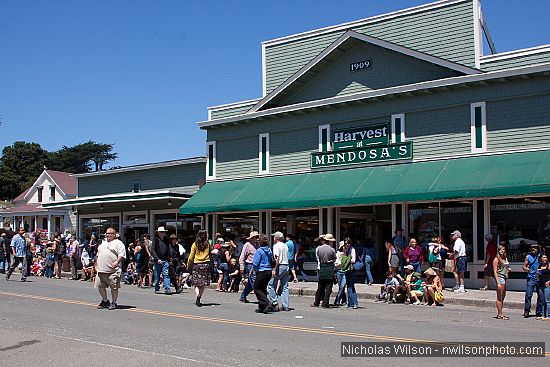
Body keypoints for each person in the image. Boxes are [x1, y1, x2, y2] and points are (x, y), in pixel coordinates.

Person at [95, 227, 126, 310]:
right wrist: (96, 264)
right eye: (107, 233)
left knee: (114, 287)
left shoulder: (118, 243)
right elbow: (98, 254)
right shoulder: (102, 243)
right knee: (100, 286)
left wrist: (117, 261)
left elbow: (122, 254)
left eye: (110, 233)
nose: (108, 235)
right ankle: (105, 301)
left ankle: (114, 302)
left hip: (112, 270)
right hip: (101, 269)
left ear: (114, 235)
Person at [187, 230, 212, 307]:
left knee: (196, 283)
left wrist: (188, 265)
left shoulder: (195, 244)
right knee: (202, 284)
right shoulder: (207, 244)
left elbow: (191, 256)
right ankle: (199, 297)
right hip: (205, 264)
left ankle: (197, 294)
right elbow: (210, 252)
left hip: (197, 264)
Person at [311, 234, 336, 309]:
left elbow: (318, 257)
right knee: (328, 287)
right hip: (329, 267)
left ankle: (317, 302)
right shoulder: (332, 250)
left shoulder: (319, 249)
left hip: (322, 267)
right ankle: (325, 303)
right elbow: (334, 258)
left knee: (320, 287)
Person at [268, 231, 290, 311]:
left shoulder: (276, 246)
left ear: (276, 238)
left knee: (271, 285)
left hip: (280, 266)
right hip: (286, 265)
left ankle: (274, 303)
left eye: (274, 237)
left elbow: (276, 258)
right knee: (285, 286)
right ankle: (285, 305)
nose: (273, 238)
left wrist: (274, 269)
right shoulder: (285, 246)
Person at [252, 234, 274, 314]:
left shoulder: (259, 251)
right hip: (268, 271)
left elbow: (255, 263)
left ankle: (266, 302)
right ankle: (262, 307)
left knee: (256, 288)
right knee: (262, 288)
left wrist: (255, 270)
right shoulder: (269, 250)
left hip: (262, 270)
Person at [523, 243, 543, 318]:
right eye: (532, 248)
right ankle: (527, 310)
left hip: (539, 278)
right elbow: (524, 266)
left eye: (535, 248)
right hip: (531, 278)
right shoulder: (528, 256)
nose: (533, 249)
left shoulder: (540, 256)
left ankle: (539, 311)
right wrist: (526, 269)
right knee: (528, 294)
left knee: (540, 296)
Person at [239, 231, 259, 303]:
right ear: (252, 238)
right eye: (256, 237)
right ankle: (262, 298)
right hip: (250, 265)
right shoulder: (247, 245)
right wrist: (241, 267)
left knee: (250, 284)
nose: (257, 238)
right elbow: (242, 256)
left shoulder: (258, 245)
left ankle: (243, 296)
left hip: (257, 265)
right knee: (254, 282)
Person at [151, 226, 171, 294]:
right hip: (158, 261)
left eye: (164, 232)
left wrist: (169, 258)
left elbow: (168, 249)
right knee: (157, 276)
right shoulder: (155, 240)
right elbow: (153, 250)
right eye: (161, 232)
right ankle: (157, 288)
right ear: (158, 233)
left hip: (165, 260)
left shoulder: (166, 240)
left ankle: (167, 288)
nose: (163, 233)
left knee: (166, 274)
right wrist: (157, 259)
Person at [493, 244, 511, 320]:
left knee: (503, 295)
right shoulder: (496, 259)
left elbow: (505, 267)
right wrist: (498, 283)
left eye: (503, 249)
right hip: (500, 278)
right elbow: (495, 271)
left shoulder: (505, 259)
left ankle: (500, 312)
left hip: (504, 277)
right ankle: (499, 314)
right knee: (499, 296)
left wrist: (508, 269)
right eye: (501, 250)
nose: (502, 251)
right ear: (498, 251)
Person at [342, 237, 358, 309]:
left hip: (351, 269)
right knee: (351, 286)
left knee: (349, 286)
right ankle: (354, 302)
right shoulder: (346, 250)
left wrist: (347, 259)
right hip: (347, 269)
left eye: (348, 243)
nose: (347, 244)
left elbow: (353, 260)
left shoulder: (352, 250)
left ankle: (351, 303)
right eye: (346, 243)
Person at [333, 241, 347, 306]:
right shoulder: (338, 254)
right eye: (344, 246)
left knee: (342, 287)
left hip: (344, 272)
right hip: (339, 272)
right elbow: (336, 263)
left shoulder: (346, 254)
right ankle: (343, 301)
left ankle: (337, 301)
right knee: (341, 287)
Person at [537, 254, 550, 321]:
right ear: (541, 259)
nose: (545, 258)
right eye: (544, 257)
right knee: (542, 301)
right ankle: (543, 315)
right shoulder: (539, 266)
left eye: (546, 257)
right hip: (541, 284)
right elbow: (538, 277)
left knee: (547, 300)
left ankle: (548, 315)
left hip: (547, 285)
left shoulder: (548, 265)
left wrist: (549, 282)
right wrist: (538, 274)